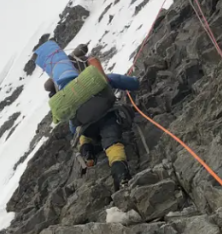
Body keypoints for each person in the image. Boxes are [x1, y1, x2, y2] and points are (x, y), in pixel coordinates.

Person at [34, 40, 141, 190]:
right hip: (107, 117)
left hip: (88, 128)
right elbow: (117, 80)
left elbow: (73, 126)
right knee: (112, 143)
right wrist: (136, 83)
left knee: (83, 132)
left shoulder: (67, 97)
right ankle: (121, 176)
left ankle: (87, 152)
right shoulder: (91, 81)